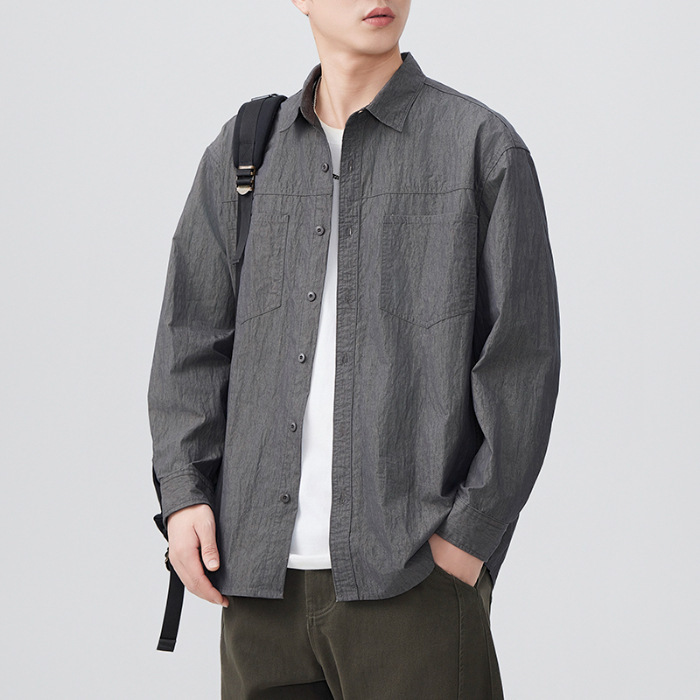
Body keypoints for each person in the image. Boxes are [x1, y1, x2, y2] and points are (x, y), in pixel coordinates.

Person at [148, 1, 561, 697]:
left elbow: (523, 360)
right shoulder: (245, 153)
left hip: (411, 581)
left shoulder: (479, 146)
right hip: (259, 589)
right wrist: (185, 496)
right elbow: (189, 338)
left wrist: (468, 538)